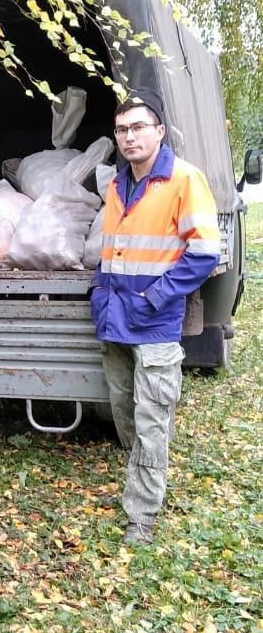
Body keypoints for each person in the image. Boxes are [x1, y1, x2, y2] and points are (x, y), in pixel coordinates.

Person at [90, 88, 220, 546]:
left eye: (138, 127)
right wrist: (98, 292)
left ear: (159, 131)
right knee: (124, 415)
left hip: (154, 322)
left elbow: (204, 251)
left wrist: (153, 297)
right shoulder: (115, 183)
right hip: (113, 318)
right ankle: (142, 478)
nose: (129, 137)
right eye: (122, 129)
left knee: (151, 419)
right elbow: (114, 248)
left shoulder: (184, 180)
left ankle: (141, 516)